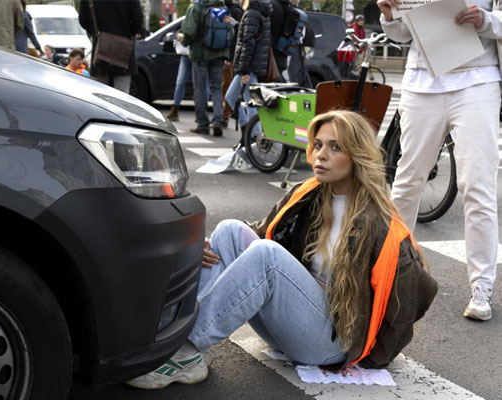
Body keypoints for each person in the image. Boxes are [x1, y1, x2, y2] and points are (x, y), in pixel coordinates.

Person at [126, 110, 438, 389]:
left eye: (335, 147)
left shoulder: (379, 224)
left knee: (267, 257)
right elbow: (263, 232)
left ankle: (187, 349)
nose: (321, 155)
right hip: (295, 318)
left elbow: (418, 292)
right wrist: (206, 246)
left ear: (357, 155)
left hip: (331, 342)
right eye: (318, 144)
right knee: (230, 230)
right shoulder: (309, 193)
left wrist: (373, 356)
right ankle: (178, 342)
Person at [378, 0, 501, 321]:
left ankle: (482, 287)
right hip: (422, 82)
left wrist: (486, 19)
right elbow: (404, 34)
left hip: (478, 80)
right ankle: (395, 274)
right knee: (407, 182)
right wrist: (390, 15)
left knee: (477, 186)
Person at [181, 0, 234, 136]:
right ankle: (218, 120)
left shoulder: (196, 7)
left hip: (200, 53)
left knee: (199, 89)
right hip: (219, 54)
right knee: (216, 88)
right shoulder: (222, 7)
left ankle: (202, 124)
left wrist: (182, 39)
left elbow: (189, 32)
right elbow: (231, 32)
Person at [224, 0, 272, 134]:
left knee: (250, 103)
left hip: (248, 65)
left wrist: (244, 69)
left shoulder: (252, 13)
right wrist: (235, 23)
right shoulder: (260, 12)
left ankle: (253, 137)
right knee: (231, 97)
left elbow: (248, 42)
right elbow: (250, 33)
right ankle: (246, 130)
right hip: (251, 64)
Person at [78, 0, 143, 94]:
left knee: (98, 97)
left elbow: (83, 20)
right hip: (123, 48)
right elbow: (137, 20)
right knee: (122, 98)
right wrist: (127, 34)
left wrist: (96, 33)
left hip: (100, 48)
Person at [221, 0, 245, 127]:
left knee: (227, 88)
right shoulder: (238, 11)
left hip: (229, 55)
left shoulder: (229, 11)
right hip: (231, 55)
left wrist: (230, 57)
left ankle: (225, 116)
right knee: (227, 88)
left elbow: (239, 37)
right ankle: (226, 115)